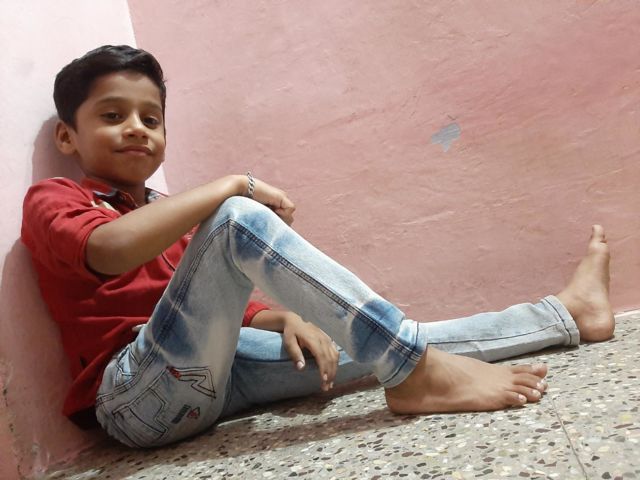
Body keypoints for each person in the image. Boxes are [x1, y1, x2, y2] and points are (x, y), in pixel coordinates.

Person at [21, 45, 615, 449]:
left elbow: (213, 307)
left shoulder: (164, 209)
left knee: (370, 341)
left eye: (151, 119)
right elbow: (108, 251)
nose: (136, 128)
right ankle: (412, 372)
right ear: (67, 136)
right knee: (236, 216)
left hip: (216, 377)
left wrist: (285, 319)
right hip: (138, 399)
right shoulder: (55, 197)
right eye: (113, 115)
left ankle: (564, 315)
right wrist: (230, 186)